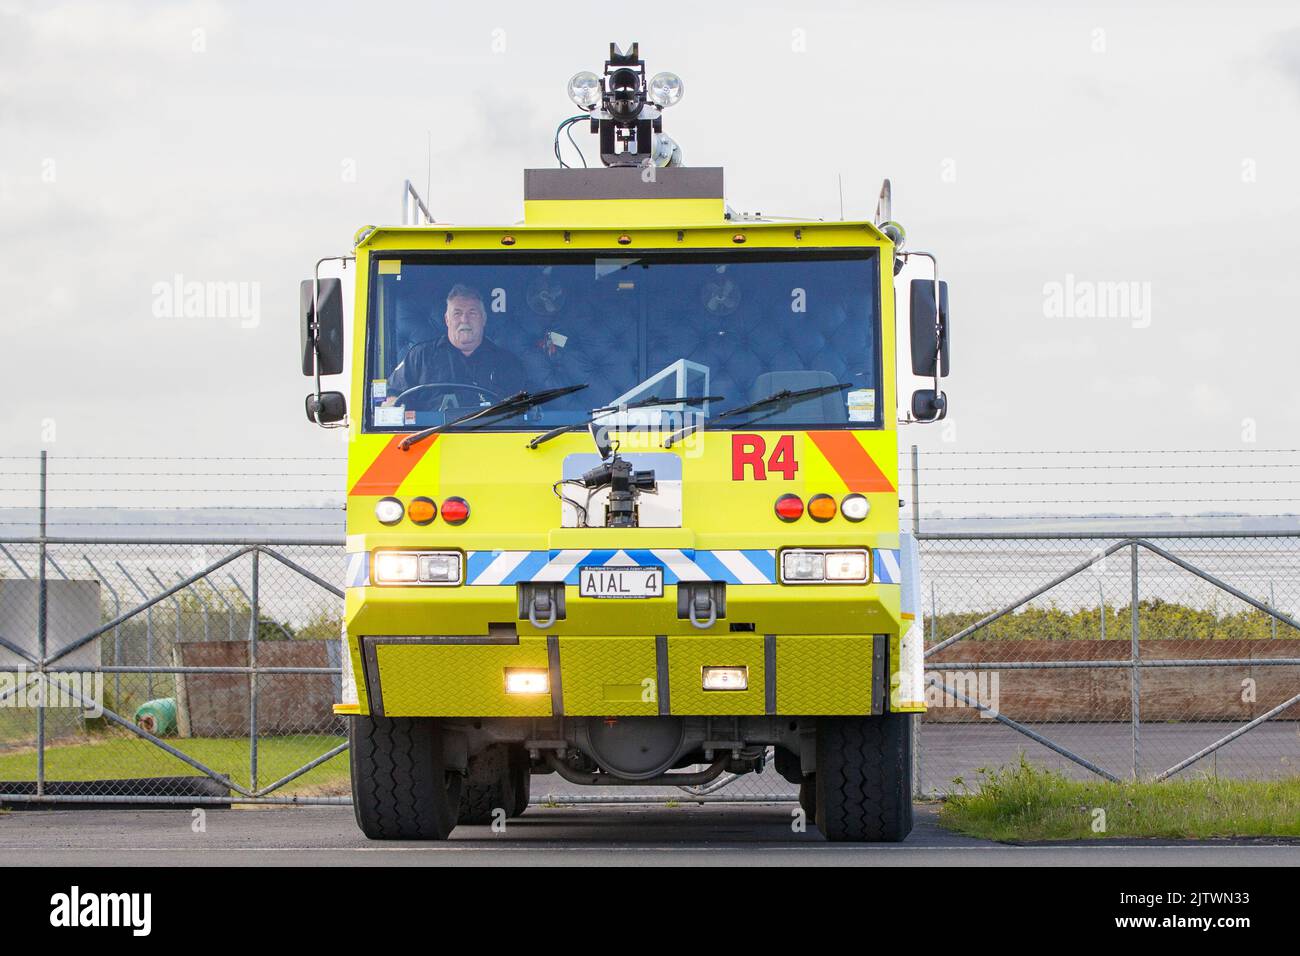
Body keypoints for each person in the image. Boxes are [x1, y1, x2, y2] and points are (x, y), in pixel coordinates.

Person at [386, 284, 527, 405]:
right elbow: (392, 396)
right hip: (431, 436)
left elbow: (522, 409)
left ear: (483, 319)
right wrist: (392, 404)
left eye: (472, 313)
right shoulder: (420, 357)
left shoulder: (507, 362)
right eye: (457, 313)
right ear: (447, 320)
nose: (464, 320)